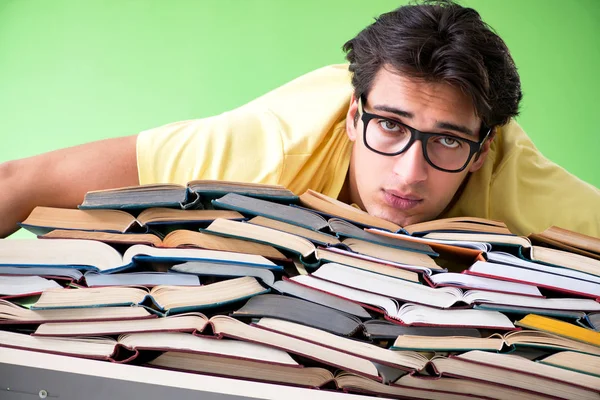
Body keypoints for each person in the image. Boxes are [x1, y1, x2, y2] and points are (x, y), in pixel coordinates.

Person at [0, 0, 598, 239]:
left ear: (485, 147)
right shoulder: (267, 147)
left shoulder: (523, 186)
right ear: (351, 116)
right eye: (389, 125)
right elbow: (17, 185)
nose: (410, 173)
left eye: (445, 140)